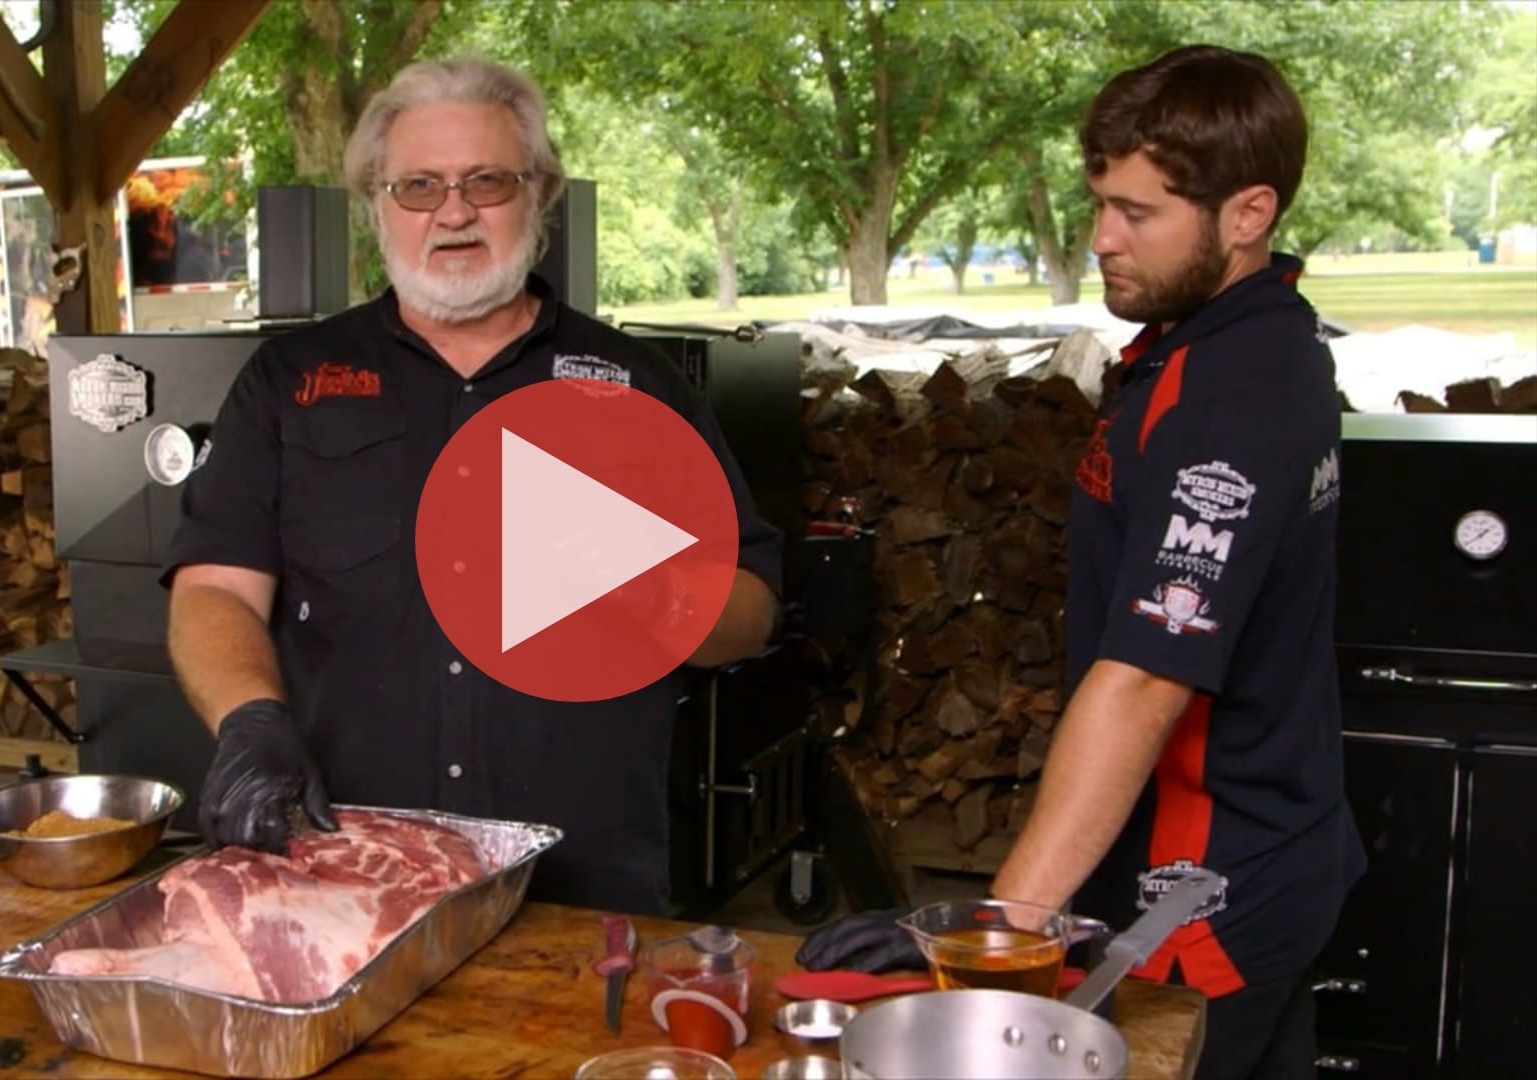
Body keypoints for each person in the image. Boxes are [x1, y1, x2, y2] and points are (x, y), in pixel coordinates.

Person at [801, 45, 1365, 1079]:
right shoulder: (1218, 343)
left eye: (1138, 213)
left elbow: (1148, 676)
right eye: (1100, 202)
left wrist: (1002, 928)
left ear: (1249, 214)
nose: (1102, 237)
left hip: (1207, 889)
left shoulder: (1232, 396)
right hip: (1261, 852)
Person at [159, 57, 783, 916]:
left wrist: (650, 584)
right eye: (418, 186)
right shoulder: (290, 379)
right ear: (376, 204)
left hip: (582, 884)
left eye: (486, 181)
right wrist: (248, 718)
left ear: (539, 195)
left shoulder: (639, 387)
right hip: (344, 864)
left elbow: (752, 613)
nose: (453, 212)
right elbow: (217, 587)